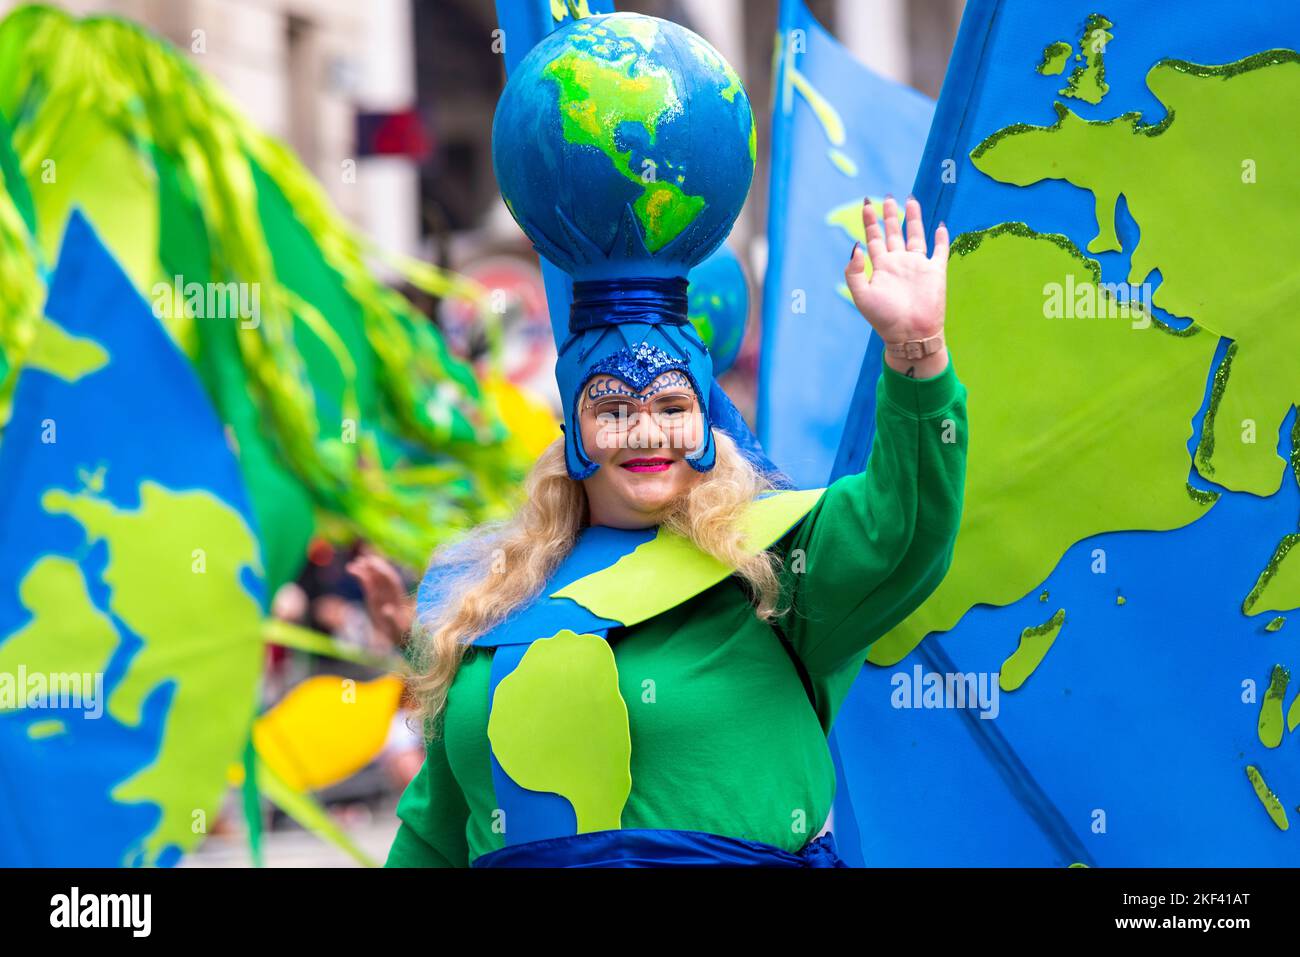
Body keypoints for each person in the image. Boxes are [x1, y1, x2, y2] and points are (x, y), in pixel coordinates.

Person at [371, 195, 968, 867]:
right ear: (573, 434)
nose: (648, 430)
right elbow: (434, 835)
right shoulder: (486, 600)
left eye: (672, 405)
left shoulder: (772, 560)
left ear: (706, 427)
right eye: (615, 407)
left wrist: (917, 349)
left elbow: (906, 523)